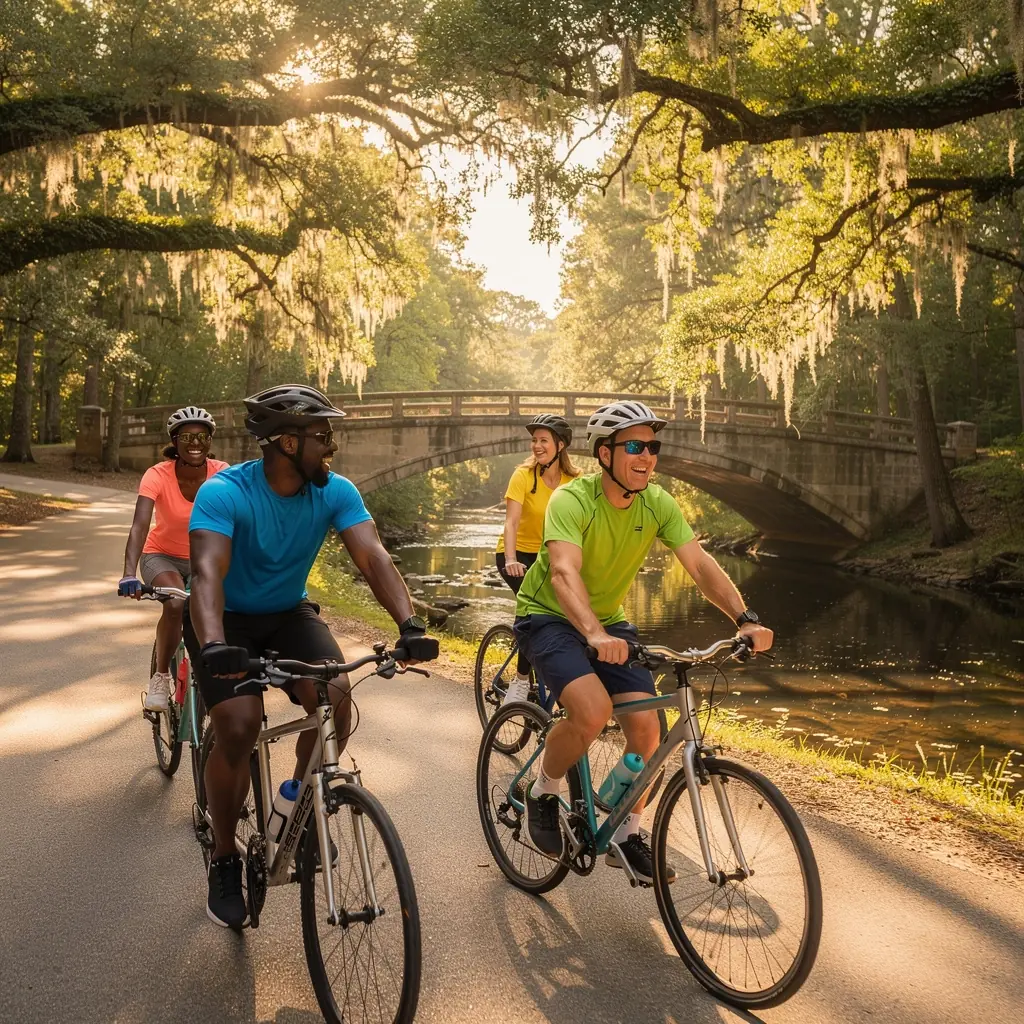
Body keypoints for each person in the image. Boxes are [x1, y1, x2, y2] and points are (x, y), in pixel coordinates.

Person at [184, 384, 437, 930]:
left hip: (287, 613)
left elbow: (372, 556)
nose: (333, 447)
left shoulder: (335, 490)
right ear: (285, 442)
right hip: (223, 619)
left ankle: (295, 809)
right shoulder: (225, 492)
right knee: (239, 723)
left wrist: (409, 624)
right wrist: (213, 645)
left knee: (338, 696)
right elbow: (206, 574)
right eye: (323, 436)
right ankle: (225, 856)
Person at [514, 400, 774, 884]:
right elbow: (564, 571)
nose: (647, 456)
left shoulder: (659, 503)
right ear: (605, 453)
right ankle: (544, 789)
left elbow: (699, 566)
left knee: (650, 733)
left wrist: (745, 618)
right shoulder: (572, 500)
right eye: (634, 445)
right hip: (548, 616)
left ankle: (625, 831)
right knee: (590, 712)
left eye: (653, 446)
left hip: (608, 622)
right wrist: (591, 633)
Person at [118, 406, 228, 711]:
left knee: (222, 609)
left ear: (209, 441)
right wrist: (129, 573)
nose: (195, 443)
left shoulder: (223, 473)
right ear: (175, 442)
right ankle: (161, 676)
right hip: (162, 556)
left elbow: (242, 518)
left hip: (204, 559)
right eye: (187, 437)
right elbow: (140, 524)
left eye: (202, 437)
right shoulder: (157, 475)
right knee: (176, 604)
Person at [494, 413, 581, 705]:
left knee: (569, 616)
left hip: (551, 556)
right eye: (534, 440)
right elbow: (511, 523)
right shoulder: (523, 476)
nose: (536, 445)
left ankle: (562, 679)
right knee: (535, 614)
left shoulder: (574, 481)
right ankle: (520, 682)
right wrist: (509, 559)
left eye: (543, 440)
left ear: (560, 446)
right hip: (516, 555)